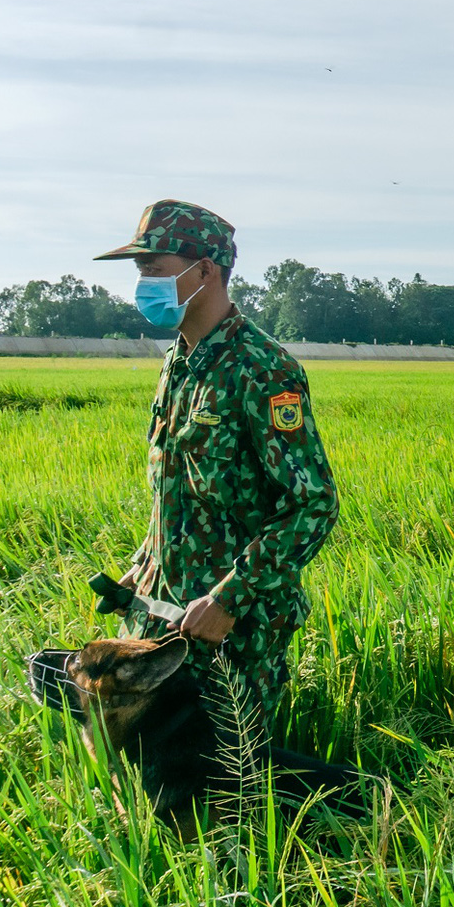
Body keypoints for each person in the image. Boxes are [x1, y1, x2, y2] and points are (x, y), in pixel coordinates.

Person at [93, 199, 338, 730]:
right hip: (164, 619)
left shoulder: (262, 368)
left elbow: (312, 503)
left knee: (233, 786)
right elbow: (180, 489)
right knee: (159, 780)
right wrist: (143, 565)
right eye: (140, 271)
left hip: (235, 631)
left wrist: (229, 598)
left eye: (153, 270)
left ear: (204, 270)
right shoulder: (177, 361)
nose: (142, 284)